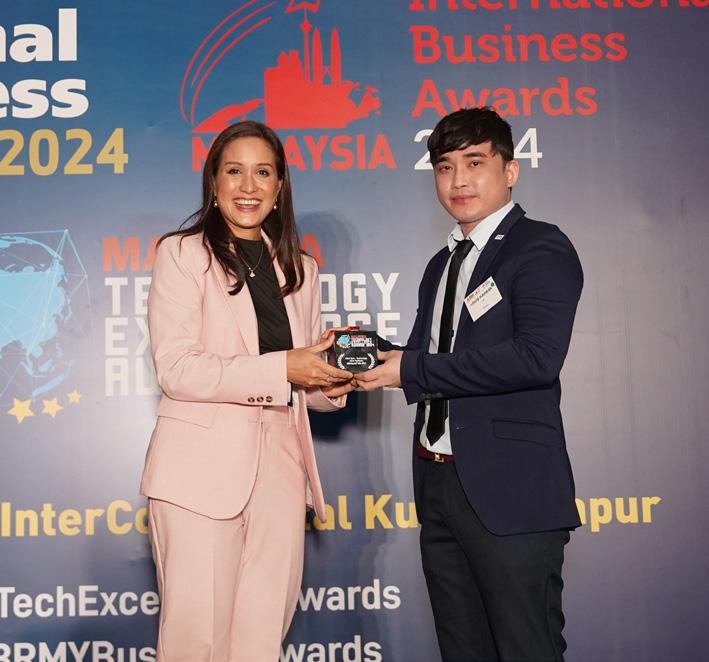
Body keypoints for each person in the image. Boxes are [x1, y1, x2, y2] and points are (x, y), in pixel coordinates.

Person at [356, 107, 583, 661]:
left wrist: (410, 368)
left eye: (475, 163)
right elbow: (425, 357)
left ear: (510, 170)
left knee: (527, 649)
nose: (458, 180)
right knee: (462, 651)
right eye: (445, 167)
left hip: (510, 490)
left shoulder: (540, 246)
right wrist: (364, 356)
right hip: (438, 483)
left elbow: (535, 358)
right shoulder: (441, 264)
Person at [140, 120, 355, 662]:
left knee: (261, 640)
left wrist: (335, 377)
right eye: (234, 171)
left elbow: (304, 386)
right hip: (198, 471)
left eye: (263, 173)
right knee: (197, 640)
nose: (248, 186)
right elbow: (179, 369)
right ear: (214, 182)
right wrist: (287, 366)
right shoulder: (182, 254)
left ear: (280, 187)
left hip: (281, 467)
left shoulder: (301, 269)